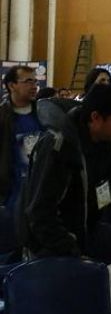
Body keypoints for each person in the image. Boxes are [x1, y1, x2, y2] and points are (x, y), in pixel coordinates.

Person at [18, 84, 111, 257]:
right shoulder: (59, 146)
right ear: (95, 117)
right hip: (49, 248)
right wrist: (72, 252)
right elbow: (40, 212)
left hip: (86, 234)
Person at [0, 66, 44, 231]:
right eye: (28, 81)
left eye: (35, 81)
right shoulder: (2, 117)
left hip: (40, 193)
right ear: (12, 86)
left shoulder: (44, 114)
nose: (34, 86)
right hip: (11, 195)